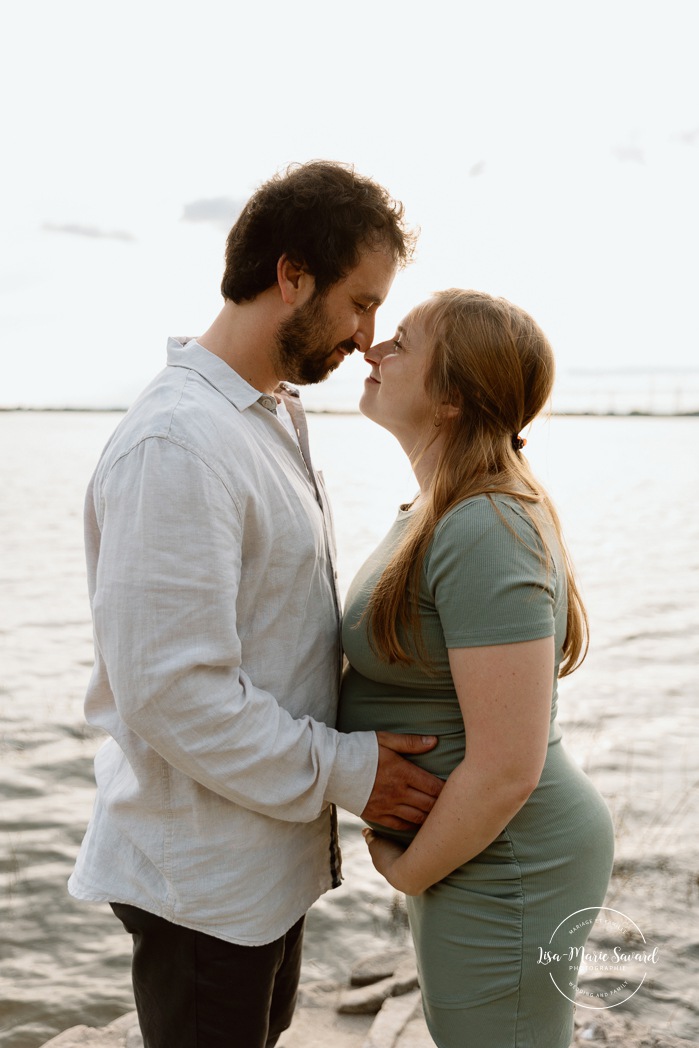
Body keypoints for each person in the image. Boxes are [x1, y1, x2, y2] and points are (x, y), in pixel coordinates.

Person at [68, 161, 444, 1048]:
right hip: (205, 885)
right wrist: (355, 771)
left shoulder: (262, 416)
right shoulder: (179, 442)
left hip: (261, 865)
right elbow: (173, 694)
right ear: (291, 276)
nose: (367, 336)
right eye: (360, 302)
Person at [338, 289, 615, 1048]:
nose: (372, 351)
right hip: (474, 847)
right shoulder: (435, 509)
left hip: (509, 857)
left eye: (399, 341)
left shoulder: (486, 524)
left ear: (453, 396)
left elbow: (505, 767)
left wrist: (408, 871)